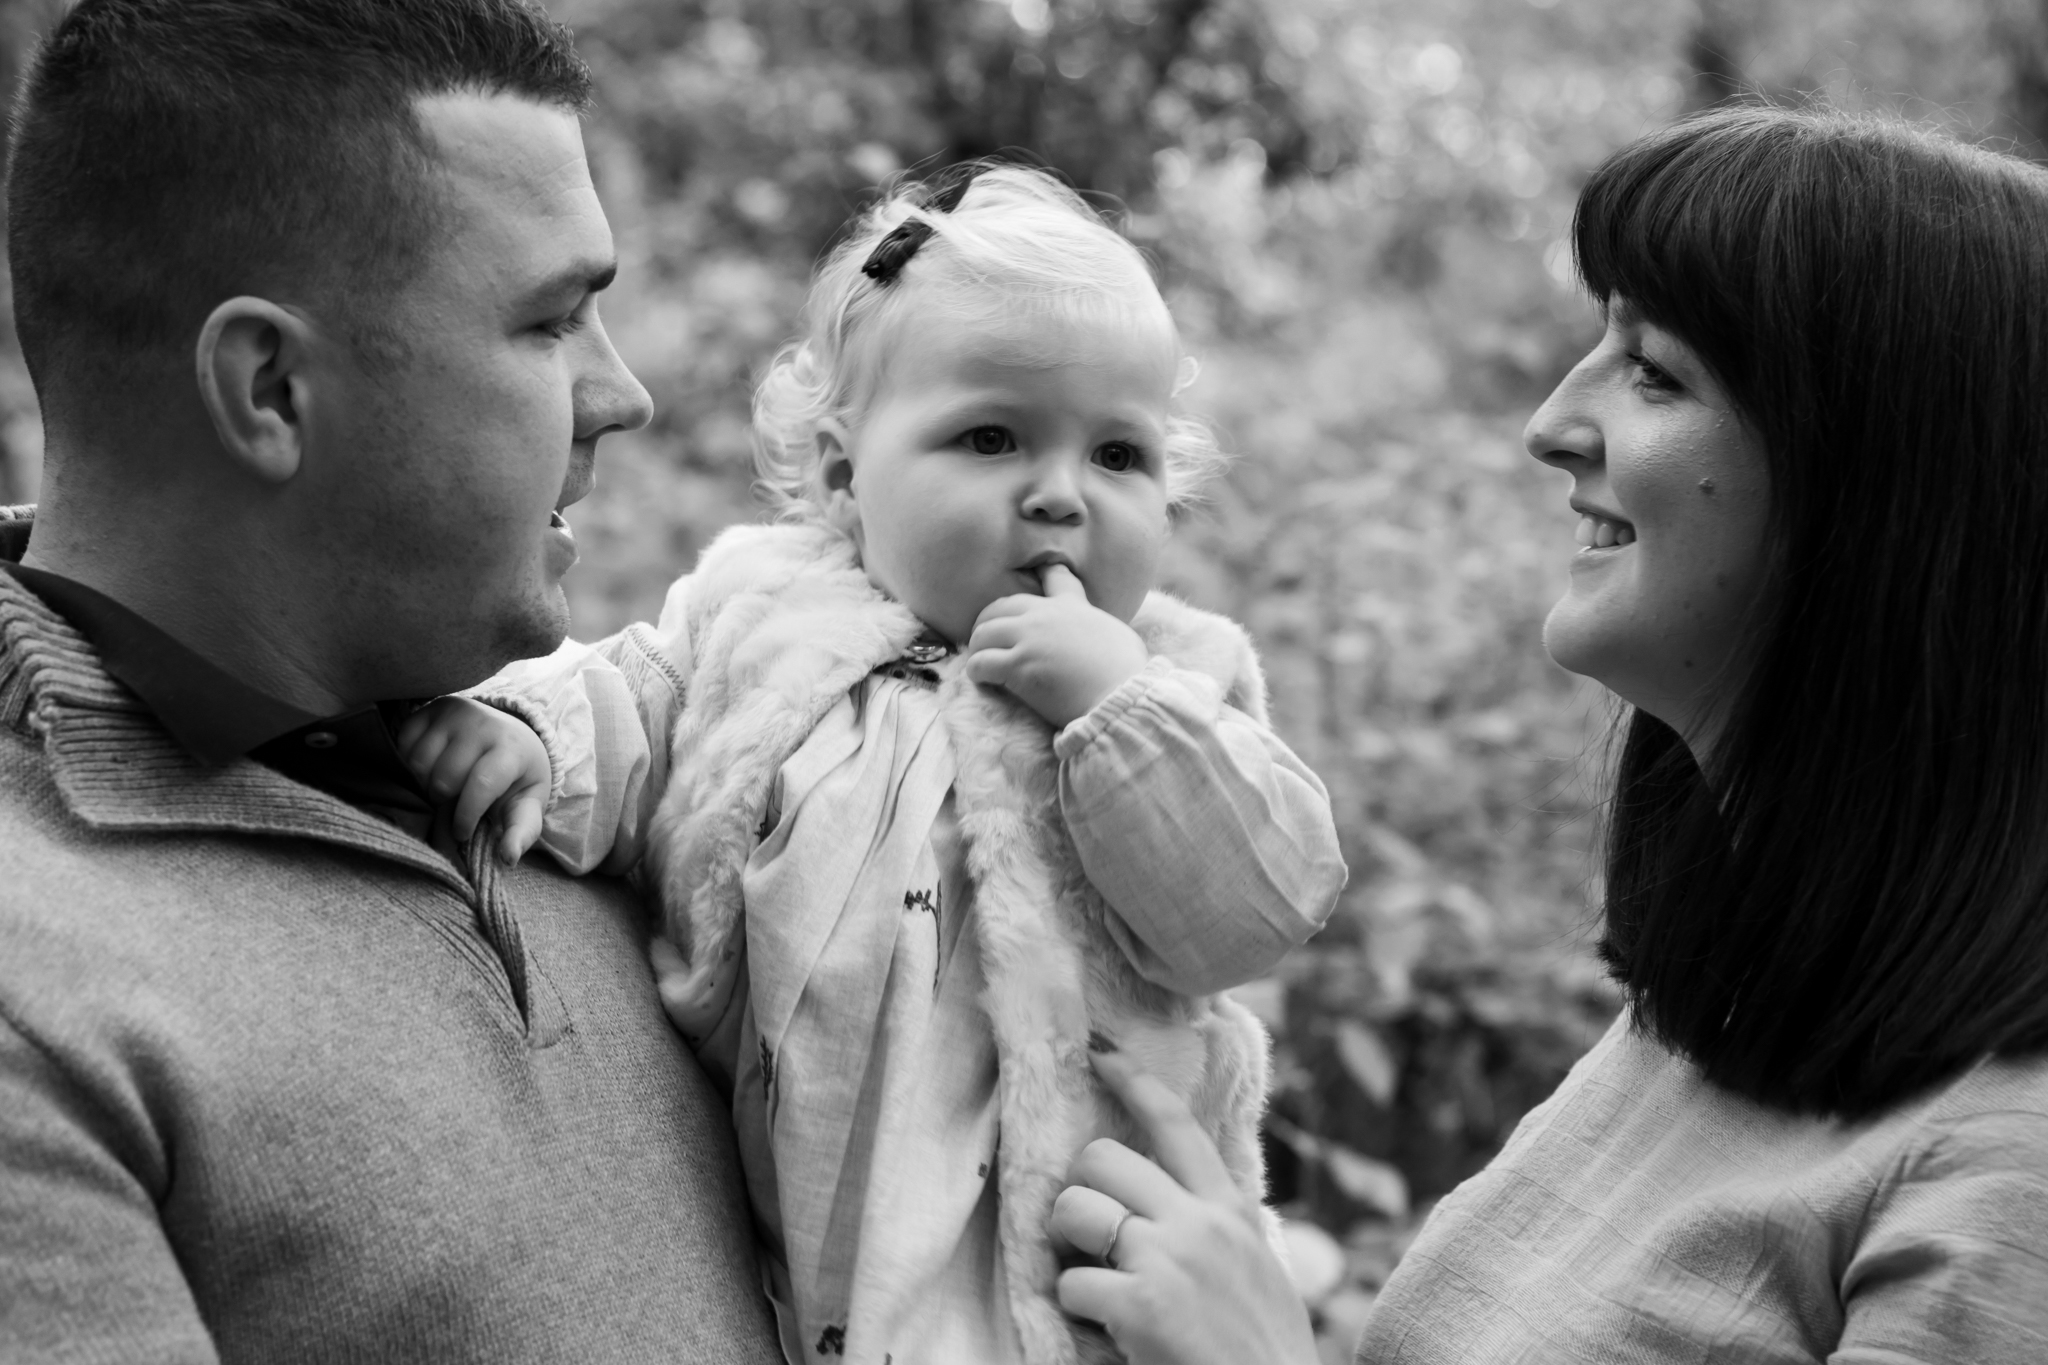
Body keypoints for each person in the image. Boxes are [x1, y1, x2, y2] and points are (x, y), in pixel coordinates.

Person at [1046, 105, 2048, 1364]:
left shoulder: (2009, 1168)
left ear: (1887, 490)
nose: (1550, 423)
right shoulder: (1715, 1022)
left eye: (1655, 373)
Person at [400, 163, 1349, 1364]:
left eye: (1119, 455)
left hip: (1083, 1286)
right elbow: (630, 703)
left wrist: (1112, 705)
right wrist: (527, 735)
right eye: (991, 437)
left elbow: (1256, 907)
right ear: (845, 472)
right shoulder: (762, 616)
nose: (1060, 497)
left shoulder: (1177, 680)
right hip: (800, 1269)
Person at [0, 0, 784, 1359]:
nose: (623, 395)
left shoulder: (605, 793)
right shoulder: (36, 993)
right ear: (270, 389)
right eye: (551, 321)